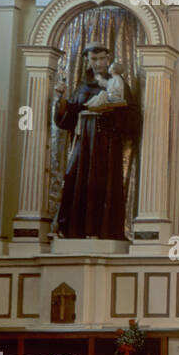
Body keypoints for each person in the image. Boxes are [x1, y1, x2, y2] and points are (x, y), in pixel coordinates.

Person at [53, 43, 134, 240]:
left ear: (108, 59)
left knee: (104, 184)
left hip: (107, 142)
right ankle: (72, 229)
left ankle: (104, 231)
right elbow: (68, 118)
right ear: (87, 61)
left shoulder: (118, 83)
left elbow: (131, 116)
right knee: (74, 177)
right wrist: (60, 99)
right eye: (93, 59)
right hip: (84, 141)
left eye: (101, 59)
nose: (98, 63)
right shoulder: (83, 85)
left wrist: (114, 114)